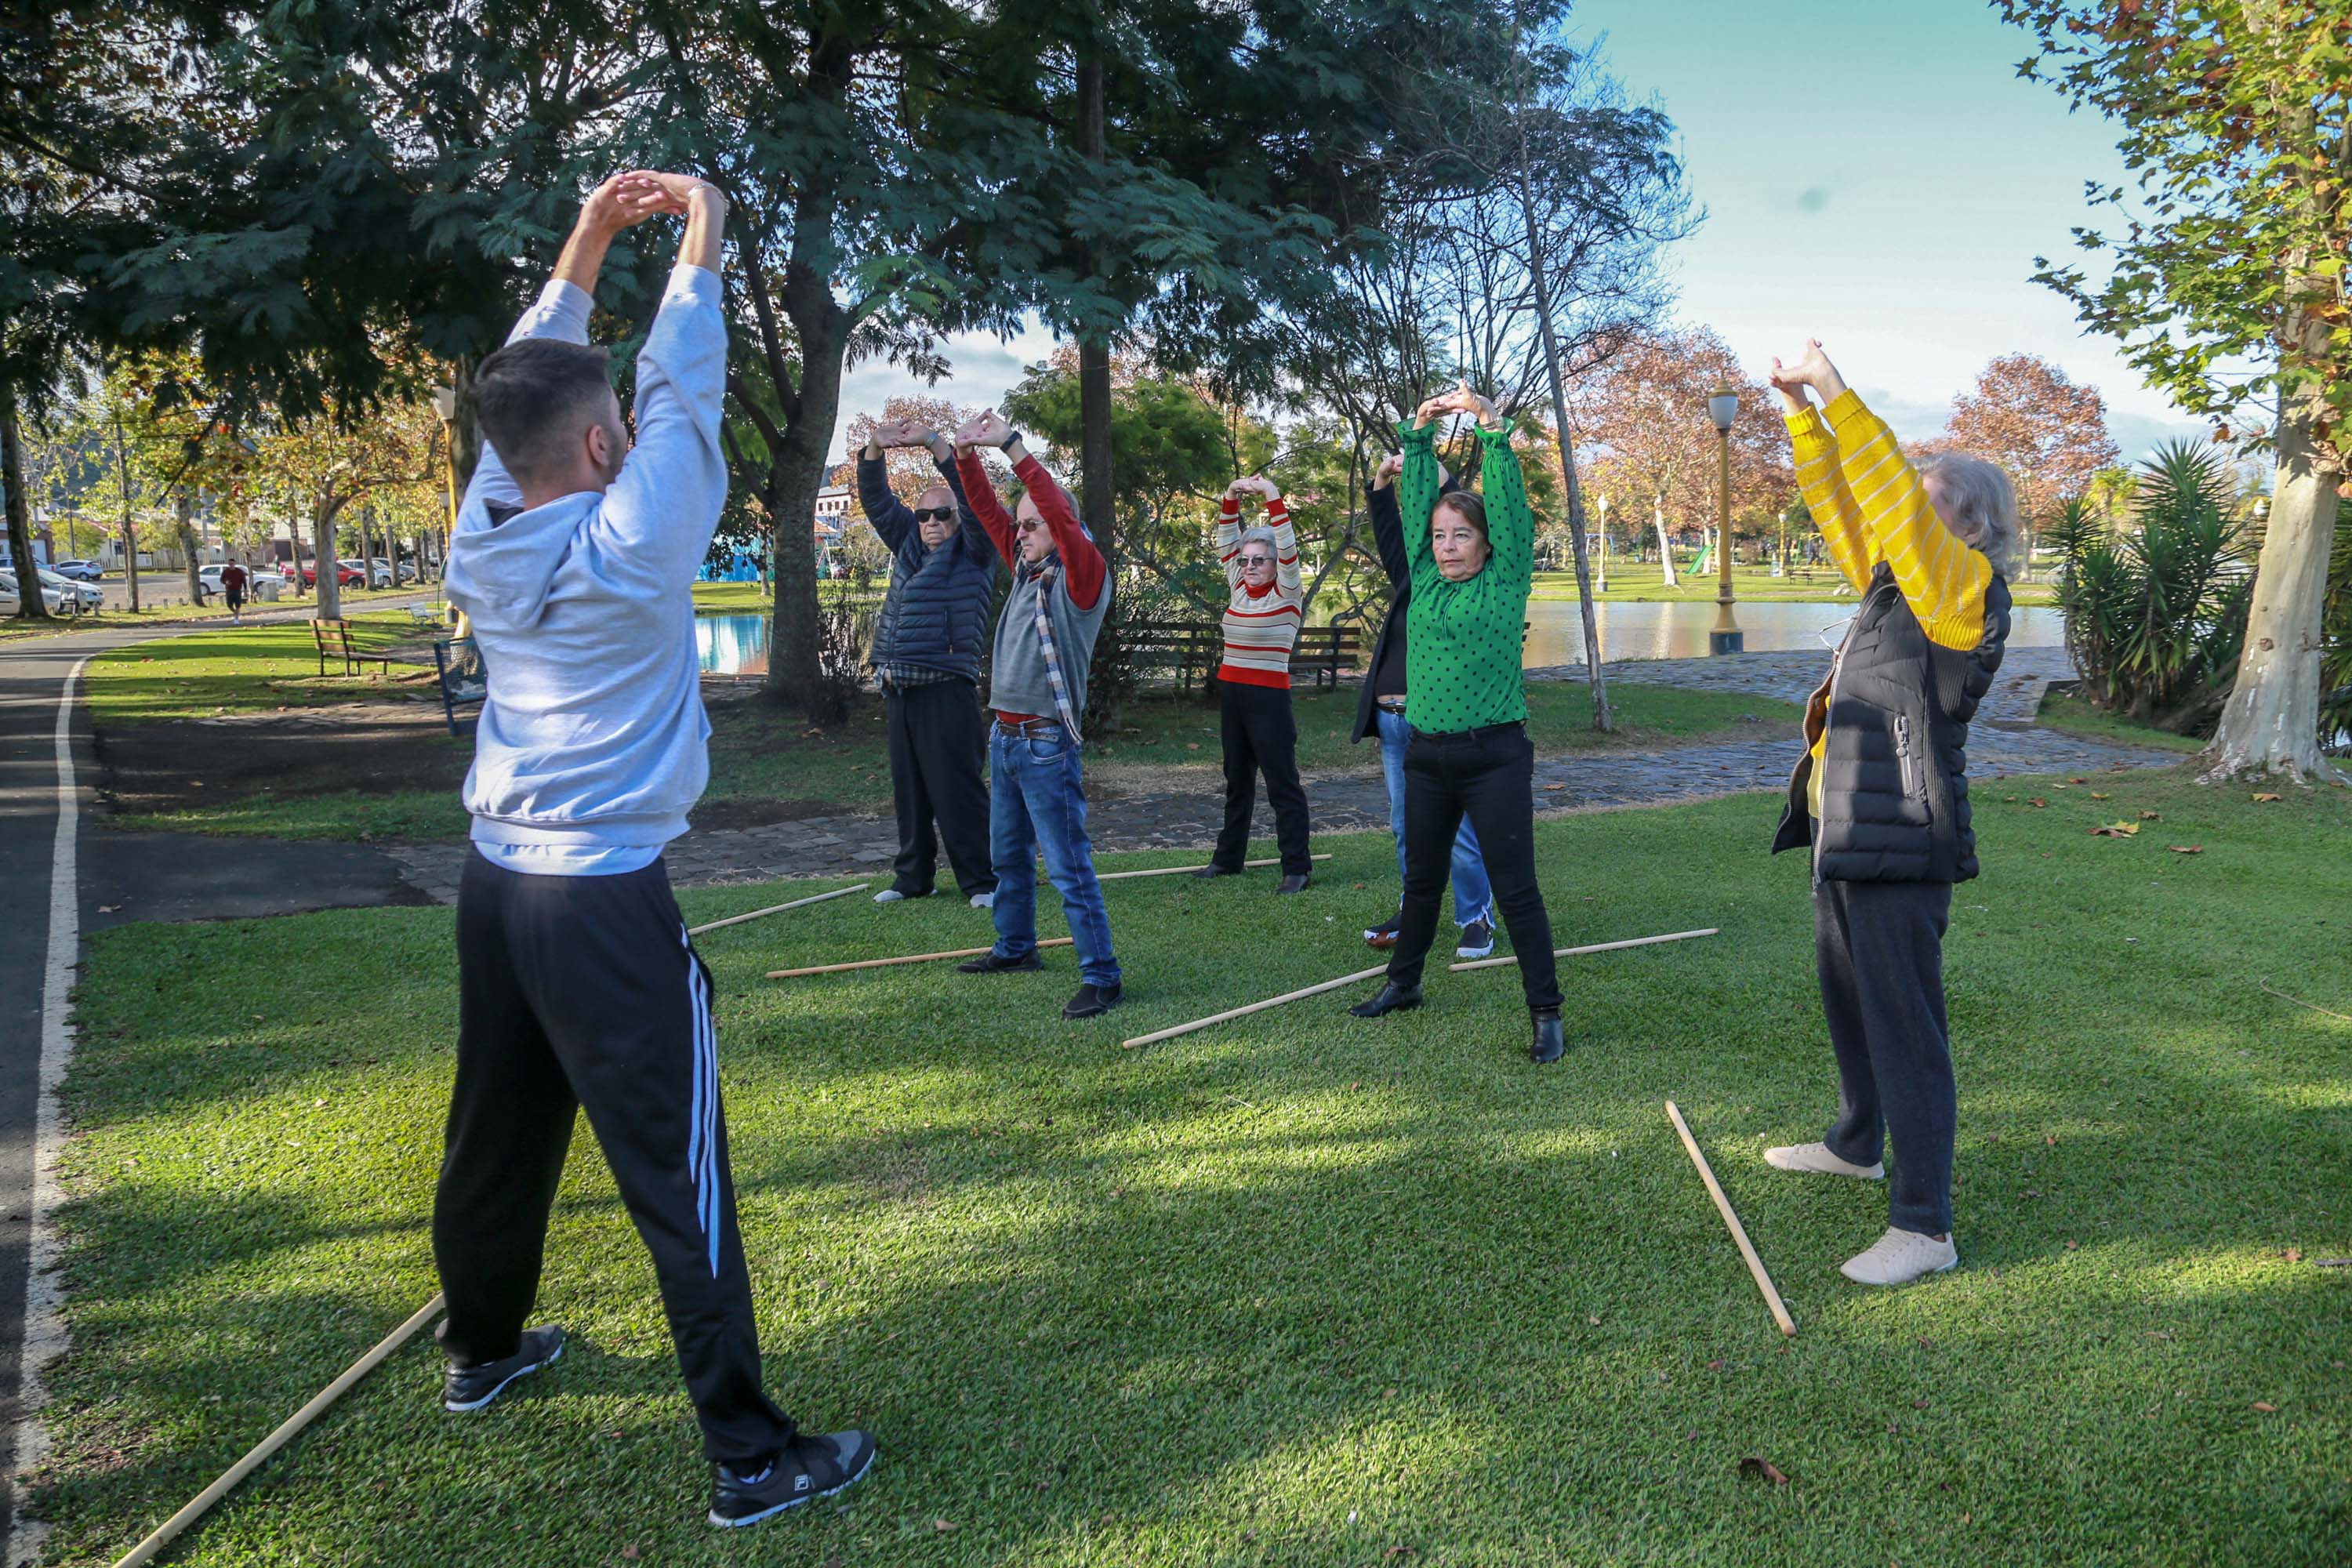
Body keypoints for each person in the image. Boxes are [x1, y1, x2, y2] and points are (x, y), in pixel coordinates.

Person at [435, 169, 874, 1526]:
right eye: (612, 420)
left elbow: (531, 391)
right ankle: (751, 1457)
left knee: (496, 1128)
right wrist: (699, 234)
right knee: (679, 1173)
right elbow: (682, 384)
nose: (630, 425)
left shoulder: (484, 524)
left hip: (496, 885)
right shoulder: (632, 535)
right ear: (605, 449)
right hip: (598, 905)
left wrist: (583, 244)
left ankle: (485, 1349)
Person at [1761, 338, 2015, 1288]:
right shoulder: (1896, 580)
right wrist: (1800, 416)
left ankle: (1925, 1223)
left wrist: (1836, 388)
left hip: (1904, 831)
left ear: (1972, 524)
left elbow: (1891, 505)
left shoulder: (1965, 588)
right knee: (1850, 994)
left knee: (1906, 1023)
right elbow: (1848, 500)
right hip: (1849, 822)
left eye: (1927, 490)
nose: (1902, 497)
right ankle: (1857, 1140)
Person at [1346, 383, 1564, 1065]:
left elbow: (1507, 505)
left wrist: (1491, 429)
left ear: (1485, 541)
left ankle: (1546, 1014)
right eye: (1439, 536)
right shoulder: (1427, 577)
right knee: (1420, 881)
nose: (1445, 546)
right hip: (1425, 754)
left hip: (1494, 755)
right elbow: (1414, 503)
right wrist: (1417, 435)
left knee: (1516, 888)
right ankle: (1402, 984)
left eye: (1460, 535)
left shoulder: (1507, 578)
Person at [947, 410, 1123, 1020]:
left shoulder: (1083, 579)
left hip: (1048, 743)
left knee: (1069, 868)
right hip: (1006, 736)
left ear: (1061, 527)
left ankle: (1102, 977)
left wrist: (1014, 449)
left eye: (1034, 525)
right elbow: (987, 511)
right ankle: (1016, 948)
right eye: (1020, 526)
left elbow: (1056, 511)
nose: (1020, 533)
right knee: (1008, 859)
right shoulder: (1025, 570)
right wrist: (966, 456)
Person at [1356, 450, 1497, 960]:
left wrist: (1443, 479)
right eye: (1436, 539)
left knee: (1455, 829)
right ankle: (1413, 911)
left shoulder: (1462, 588)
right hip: (1391, 723)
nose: (1443, 547)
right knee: (1404, 828)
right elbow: (1389, 534)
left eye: (1450, 539)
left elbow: (1464, 519)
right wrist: (1379, 484)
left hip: (1434, 721)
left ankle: (1476, 917)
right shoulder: (1411, 579)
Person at [857, 415, 1001, 909]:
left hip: (946, 688)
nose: (932, 523)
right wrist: (876, 447)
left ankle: (982, 882)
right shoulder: (908, 542)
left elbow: (976, 502)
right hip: (900, 686)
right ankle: (912, 879)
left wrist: (937, 444)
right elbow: (877, 501)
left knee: (956, 790)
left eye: (943, 514)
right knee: (911, 792)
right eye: (924, 515)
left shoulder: (977, 550)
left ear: (958, 517)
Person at [1194, 474, 1312, 892]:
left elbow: (1289, 545)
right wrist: (1229, 495)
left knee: (1282, 783)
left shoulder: (1287, 593)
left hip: (1269, 699)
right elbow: (1226, 539)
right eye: (1245, 559)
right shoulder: (1238, 587)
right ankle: (1228, 860)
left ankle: (1296, 867)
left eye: (1259, 559)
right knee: (1236, 780)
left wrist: (1272, 496)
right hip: (1233, 694)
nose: (1249, 566)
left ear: (1277, 563)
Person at [220, 560, 247, 624]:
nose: (231, 565)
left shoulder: (239, 571)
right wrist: (225, 582)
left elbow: (244, 581)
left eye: (232, 564)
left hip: (237, 590)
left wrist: (245, 590)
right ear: (228, 564)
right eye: (230, 564)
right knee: (229, 605)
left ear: (235, 564)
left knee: (238, 605)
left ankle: (236, 619)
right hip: (229, 590)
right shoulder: (226, 571)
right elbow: (221, 580)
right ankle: (235, 613)